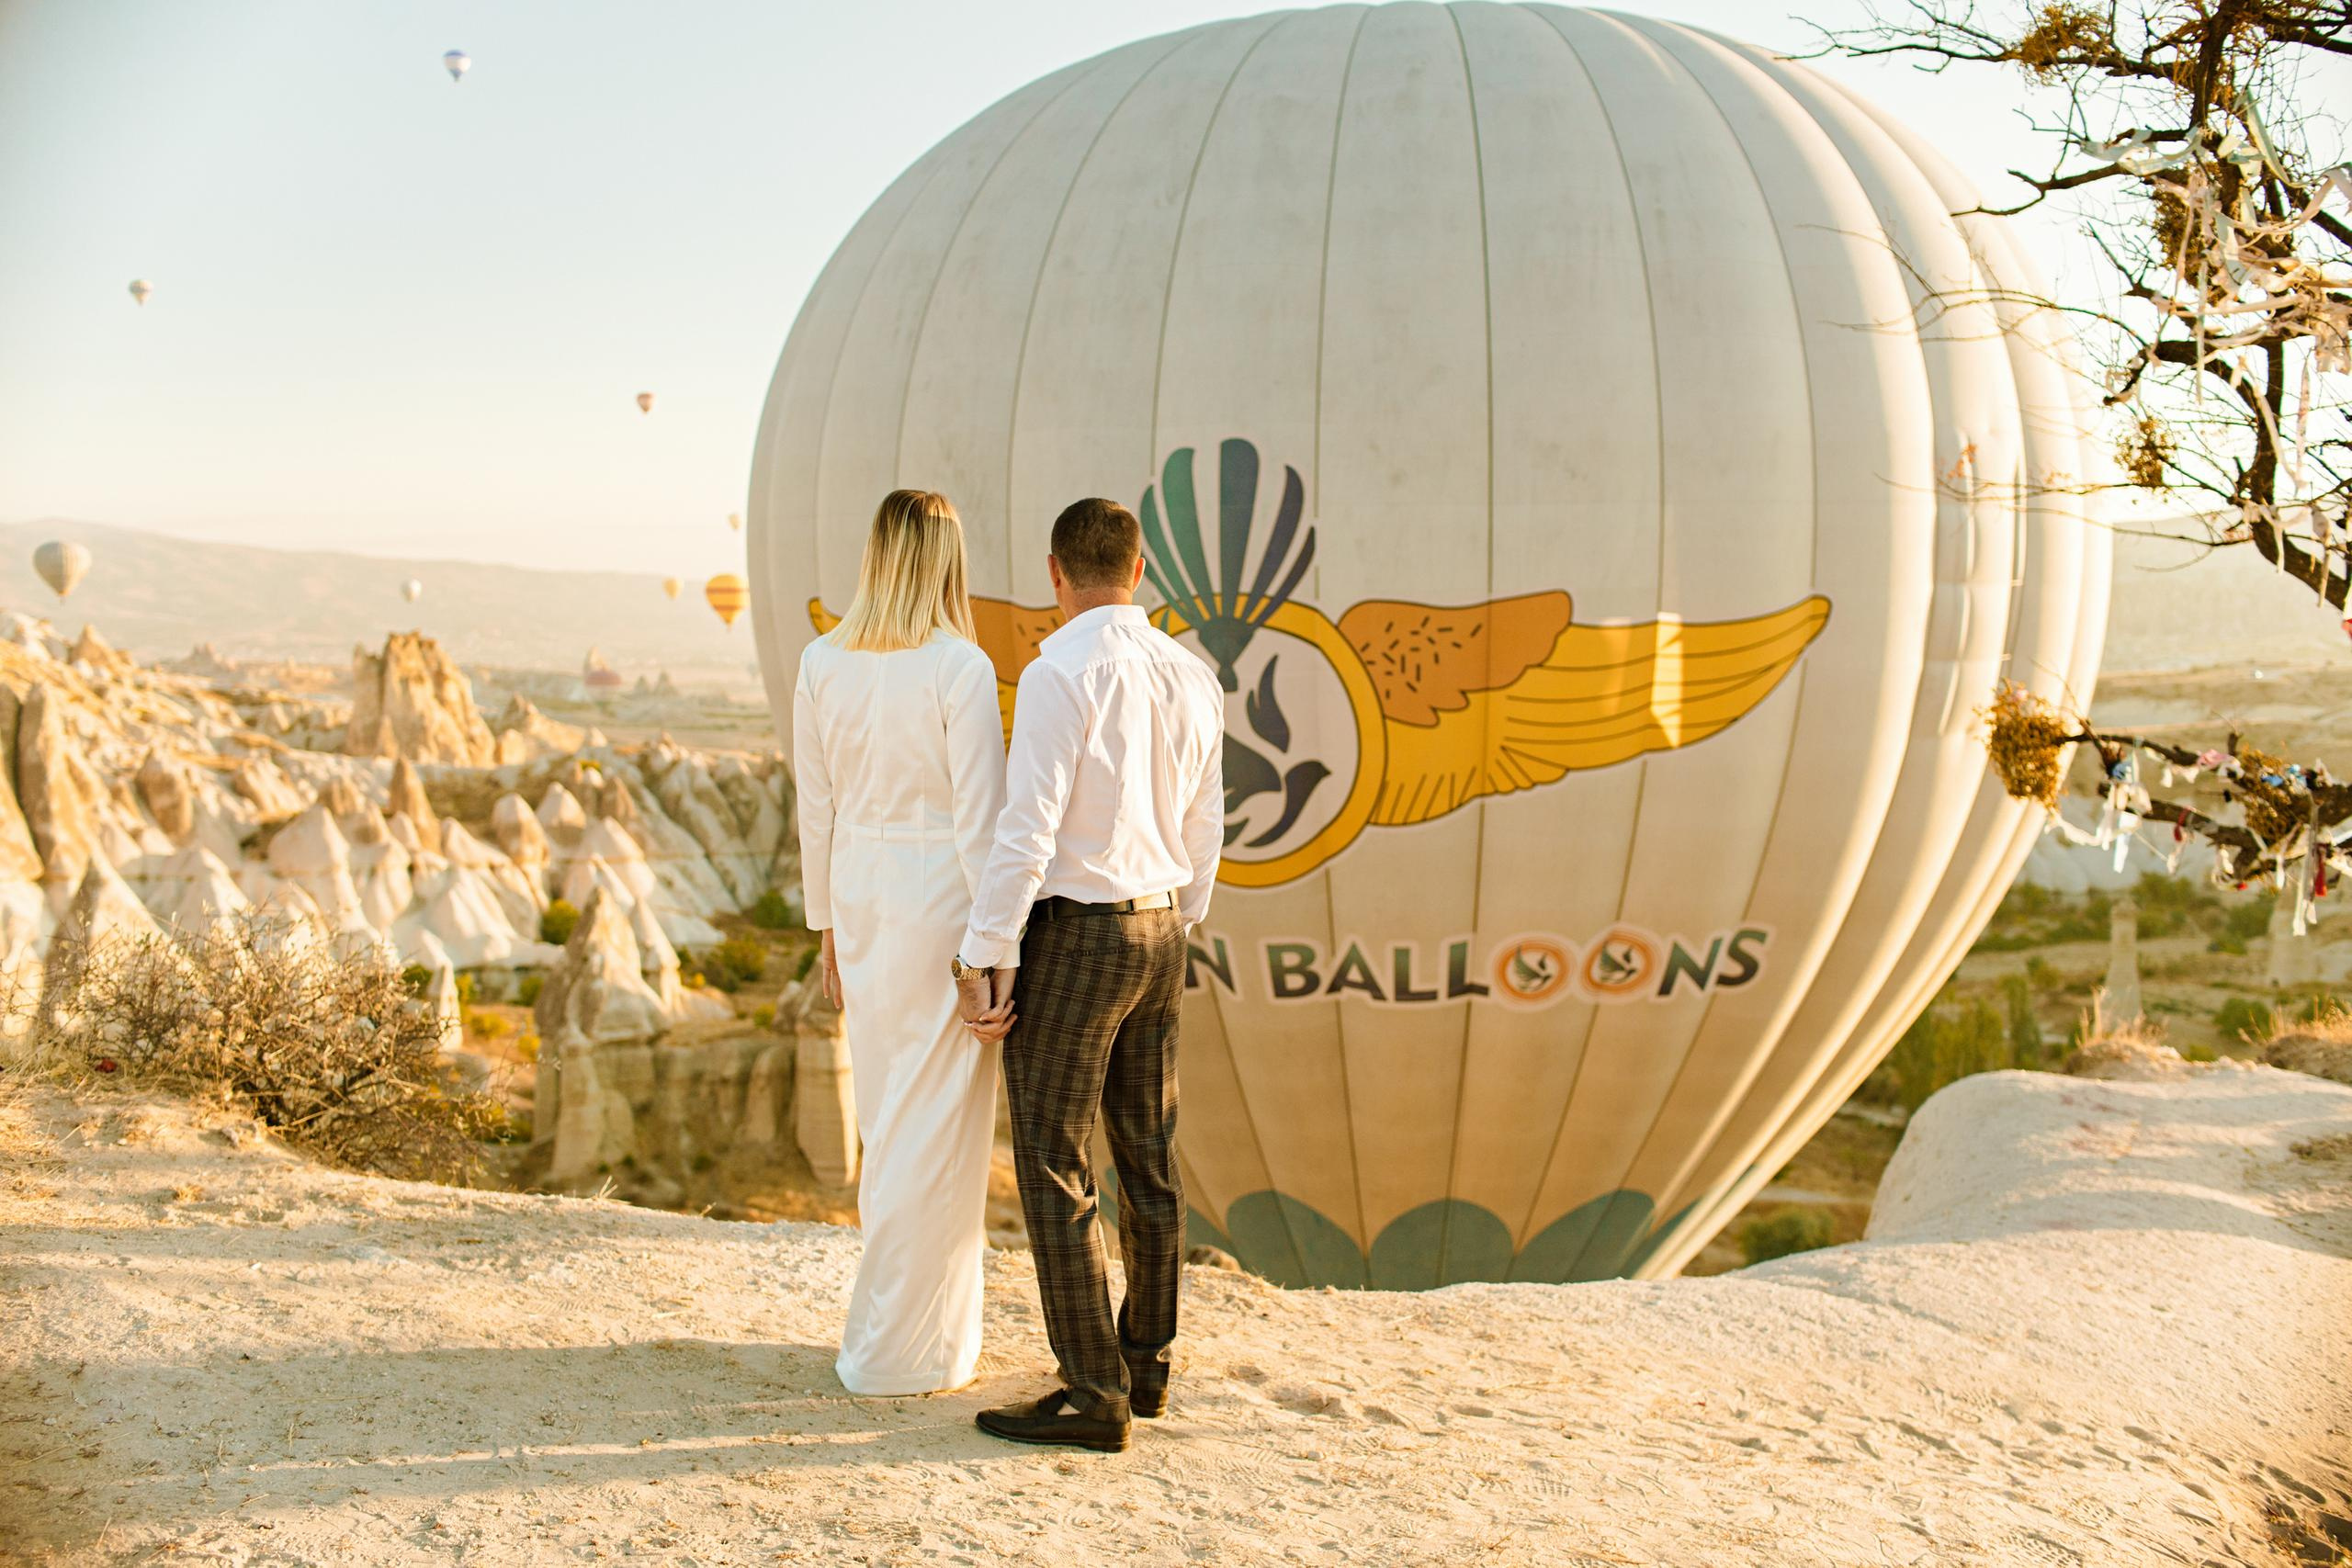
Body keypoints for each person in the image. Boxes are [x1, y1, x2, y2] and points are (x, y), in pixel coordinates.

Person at [954, 496, 1225, 1454]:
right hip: (1160, 926)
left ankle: (1090, 1392)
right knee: (1148, 1153)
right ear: (1140, 570)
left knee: (1055, 1161)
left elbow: (1025, 828)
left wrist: (987, 953)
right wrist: (1178, 919)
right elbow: (1205, 820)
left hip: (1077, 935)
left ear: (1055, 573)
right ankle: (1145, 1364)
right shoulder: (1192, 673)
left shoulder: (1058, 670)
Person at [792, 489, 1008, 1397]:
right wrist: (993, 949)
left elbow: (815, 807)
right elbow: (982, 822)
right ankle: (910, 1350)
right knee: (942, 1123)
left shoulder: (820, 661)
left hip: (865, 900)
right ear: (945, 562)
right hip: (940, 905)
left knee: (888, 1120)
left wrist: (827, 927)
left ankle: (896, 1335)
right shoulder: (957, 668)